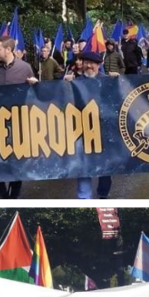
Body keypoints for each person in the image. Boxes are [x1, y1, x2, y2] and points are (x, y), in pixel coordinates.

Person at [0, 36, 39, 199]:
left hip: (18, 122)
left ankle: (14, 195)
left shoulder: (25, 68)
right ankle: (1, 192)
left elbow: (35, 94)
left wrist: (36, 85)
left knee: (17, 159)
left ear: (8, 49)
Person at [63, 52, 113, 199]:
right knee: (83, 166)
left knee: (106, 168)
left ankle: (103, 194)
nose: (89, 66)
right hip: (81, 132)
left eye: (93, 63)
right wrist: (65, 85)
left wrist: (118, 80)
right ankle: (84, 198)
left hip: (103, 132)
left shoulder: (108, 81)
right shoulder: (74, 81)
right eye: (86, 62)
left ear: (99, 65)